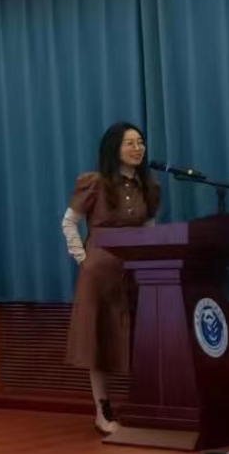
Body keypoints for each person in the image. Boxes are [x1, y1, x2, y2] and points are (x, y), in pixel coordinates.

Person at [63, 121, 160, 436]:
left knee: (142, 337)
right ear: (114, 149)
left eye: (140, 142)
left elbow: (150, 229)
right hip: (100, 274)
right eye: (130, 143)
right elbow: (69, 222)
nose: (137, 148)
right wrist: (84, 259)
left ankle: (148, 404)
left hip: (137, 272)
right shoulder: (95, 183)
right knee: (99, 340)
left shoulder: (149, 187)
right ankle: (102, 411)